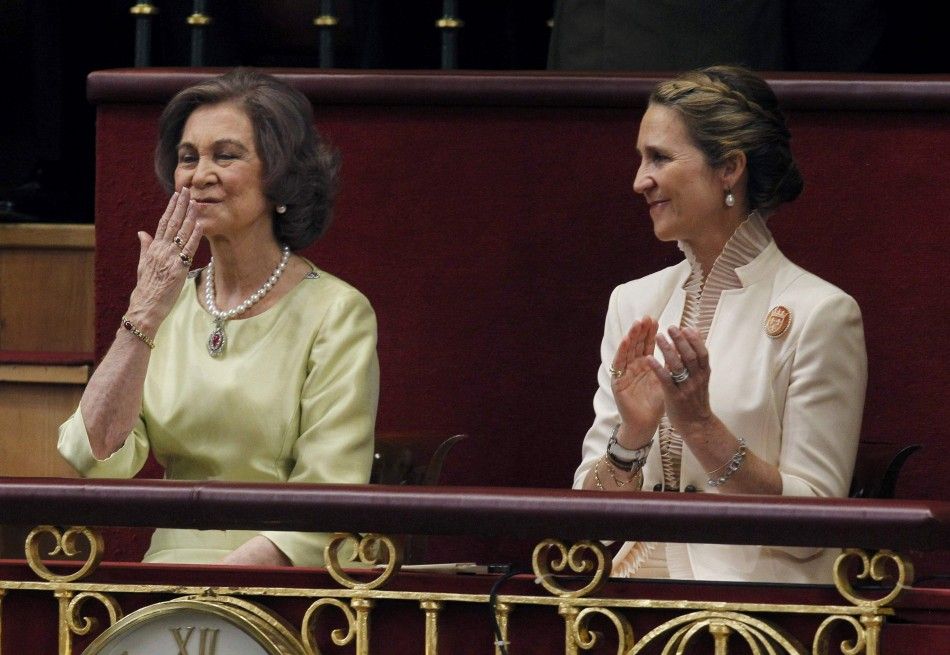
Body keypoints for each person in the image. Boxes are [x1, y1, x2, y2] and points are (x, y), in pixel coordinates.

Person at [58, 69, 379, 567]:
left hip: (287, 579)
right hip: (169, 573)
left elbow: (327, 495)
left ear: (280, 178)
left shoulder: (337, 312)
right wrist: (144, 309)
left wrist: (215, 591)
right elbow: (94, 455)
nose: (198, 175)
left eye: (225, 155)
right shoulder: (166, 304)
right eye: (189, 158)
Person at [575, 65, 867, 583]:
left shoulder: (821, 313)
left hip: (754, 617)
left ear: (729, 168)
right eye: (641, 159)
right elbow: (588, 524)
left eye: (659, 158)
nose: (640, 180)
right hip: (627, 606)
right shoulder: (632, 302)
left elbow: (817, 523)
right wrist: (633, 437)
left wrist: (703, 430)